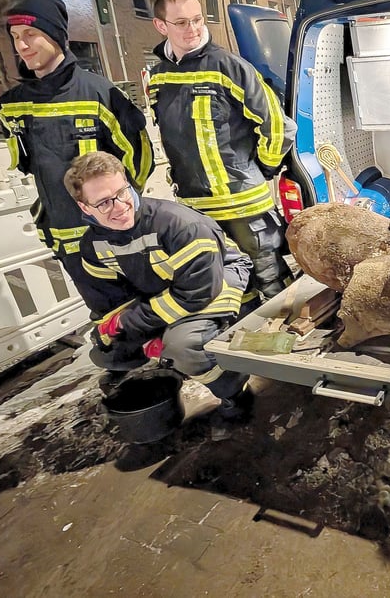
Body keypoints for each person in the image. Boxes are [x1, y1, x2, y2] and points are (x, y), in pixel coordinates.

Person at [64, 151, 255, 418]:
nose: (119, 206)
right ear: (85, 208)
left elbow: (195, 294)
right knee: (106, 351)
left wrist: (137, 326)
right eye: (104, 202)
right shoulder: (92, 246)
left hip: (217, 279)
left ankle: (235, 392)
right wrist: (117, 331)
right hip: (167, 290)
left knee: (183, 346)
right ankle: (170, 359)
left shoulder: (180, 225)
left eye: (122, 192)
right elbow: (113, 301)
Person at [0, 0, 154, 304]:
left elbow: (139, 160)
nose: (22, 46)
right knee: (109, 322)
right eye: (16, 37)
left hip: (113, 238)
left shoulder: (101, 94)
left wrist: (118, 214)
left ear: (56, 34)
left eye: (31, 34)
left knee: (143, 311)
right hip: (65, 239)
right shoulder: (12, 105)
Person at [147, 0, 297, 301]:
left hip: (245, 206)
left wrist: (262, 170)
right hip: (196, 208)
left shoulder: (229, 67)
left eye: (198, 19)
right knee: (224, 287)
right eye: (182, 22)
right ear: (161, 25)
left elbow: (278, 126)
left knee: (271, 288)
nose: (193, 29)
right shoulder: (159, 76)